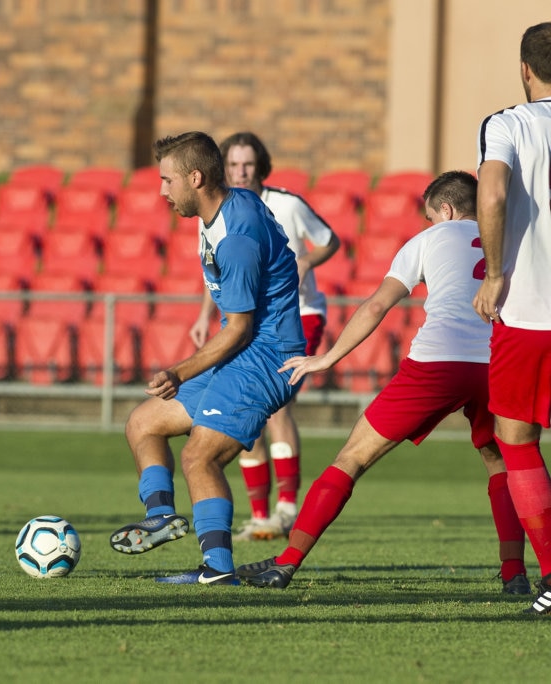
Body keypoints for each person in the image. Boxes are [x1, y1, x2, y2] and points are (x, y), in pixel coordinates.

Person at [238, 171, 530, 595]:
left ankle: (285, 564)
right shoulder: (508, 238)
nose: (430, 225)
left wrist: (328, 357)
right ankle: (514, 575)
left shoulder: (429, 240)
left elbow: (377, 305)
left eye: (431, 217)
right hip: (497, 363)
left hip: (437, 363)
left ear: (445, 211)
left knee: (351, 459)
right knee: (499, 463)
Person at [108, 131, 305, 585]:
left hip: (267, 357)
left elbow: (240, 327)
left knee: (200, 456)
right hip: (240, 352)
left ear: (195, 178)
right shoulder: (218, 209)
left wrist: (178, 371)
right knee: (143, 423)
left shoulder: (236, 235)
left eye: (167, 180)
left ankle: (218, 570)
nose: (162, 191)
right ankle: (160, 518)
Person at [190, 132, 341, 541]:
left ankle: (287, 508)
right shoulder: (220, 215)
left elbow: (330, 239)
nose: (241, 171)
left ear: (261, 166)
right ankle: (260, 515)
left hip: (297, 317)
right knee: (241, 408)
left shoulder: (286, 204)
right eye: (234, 164)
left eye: (248, 164)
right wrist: (206, 316)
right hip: (246, 323)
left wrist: (306, 261)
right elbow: (221, 272)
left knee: (275, 409)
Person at [471, 22, 551, 615]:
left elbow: (492, 195)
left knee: (517, 438)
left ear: (525, 70)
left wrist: (495, 273)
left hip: (529, 310)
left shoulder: (508, 125)